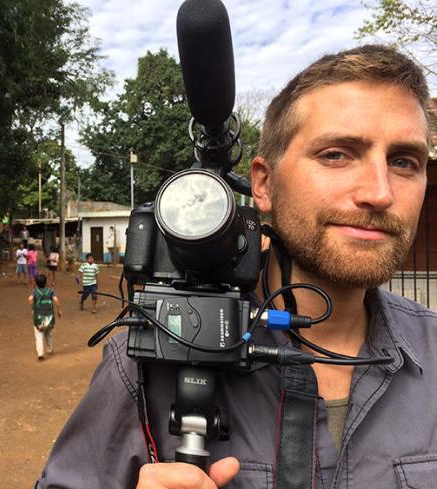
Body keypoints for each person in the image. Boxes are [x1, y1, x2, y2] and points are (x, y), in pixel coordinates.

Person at [36, 45, 437, 489]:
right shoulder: (149, 360)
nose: (379, 192)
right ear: (262, 184)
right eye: (336, 155)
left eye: (404, 162)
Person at [28, 273, 62, 361]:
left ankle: (40, 354)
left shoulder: (35, 291)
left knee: (39, 334)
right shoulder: (50, 291)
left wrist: (32, 308)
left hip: (39, 316)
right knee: (49, 332)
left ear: (36, 283)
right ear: (46, 282)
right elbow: (56, 300)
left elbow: (30, 299)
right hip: (49, 315)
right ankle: (50, 349)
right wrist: (59, 310)